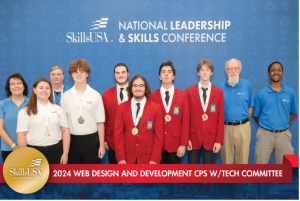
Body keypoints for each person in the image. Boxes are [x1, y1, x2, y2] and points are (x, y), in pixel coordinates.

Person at [60, 59, 106, 164]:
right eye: (75, 72)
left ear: (87, 74)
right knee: (74, 176)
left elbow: (100, 122)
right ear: (71, 75)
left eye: (82, 71)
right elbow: (63, 125)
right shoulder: (65, 96)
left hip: (92, 141)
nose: (78, 74)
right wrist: (65, 151)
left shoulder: (96, 95)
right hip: (72, 141)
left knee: (93, 176)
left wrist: (101, 145)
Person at [253, 61, 298, 164]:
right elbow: (255, 115)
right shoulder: (261, 93)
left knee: (286, 170)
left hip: (284, 135)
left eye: (279, 70)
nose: (276, 72)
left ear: (282, 73)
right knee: (259, 171)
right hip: (264, 134)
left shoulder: (290, 92)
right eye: (273, 70)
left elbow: (294, 113)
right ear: (268, 73)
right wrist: (266, 125)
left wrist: (283, 122)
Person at [16, 78, 70, 164]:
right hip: (33, 152)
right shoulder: (25, 111)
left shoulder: (59, 109)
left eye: (47, 88)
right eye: (41, 88)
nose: (44, 91)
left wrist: (65, 153)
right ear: (34, 90)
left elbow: (65, 131)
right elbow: (21, 134)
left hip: (56, 151)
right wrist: (24, 156)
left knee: (55, 177)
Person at [114, 75, 163, 164]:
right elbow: (118, 134)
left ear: (146, 88)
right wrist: (120, 157)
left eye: (141, 86)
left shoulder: (155, 107)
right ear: (131, 88)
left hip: (148, 158)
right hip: (127, 158)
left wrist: (155, 158)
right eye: (135, 86)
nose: (138, 89)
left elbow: (158, 136)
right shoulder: (122, 107)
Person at [149, 61, 189, 164]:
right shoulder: (152, 96)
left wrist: (183, 144)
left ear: (173, 76)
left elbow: (185, 121)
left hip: (176, 145)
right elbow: (149, 121)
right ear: (160, 77)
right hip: (158, 145)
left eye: (169, 72)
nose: (166, 74)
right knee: (159, 178)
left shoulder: (182, 95)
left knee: (174, 177)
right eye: (163, 72)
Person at [186, 60, 224, 164]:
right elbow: (186, 118)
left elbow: (220, 118)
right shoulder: (189, 92)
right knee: (192, 173)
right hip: (193, 138)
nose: (205, 73)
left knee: (208, 173)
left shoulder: (219, 92)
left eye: (207, 70)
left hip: (211, 138)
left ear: (211, 72)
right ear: (198, 73)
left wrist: (219, 141)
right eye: (202, 70)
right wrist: (187, 138)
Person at [217, 58, 254, 164]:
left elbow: (250, 106)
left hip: (243, 127)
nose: (233, 71)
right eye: (230, 68)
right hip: (225, 129)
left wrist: (245, 121)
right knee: (226, 161)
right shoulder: (219, 87)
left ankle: (241, 181)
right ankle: (228, 181)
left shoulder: (247, 85)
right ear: (226, 71)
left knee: (242, 161)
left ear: (240, 70)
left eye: (235, 68)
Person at [102, 63, 129, 164]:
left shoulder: (137, 92)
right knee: (116, 175)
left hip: (133, 141)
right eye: (117, 73)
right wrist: (104, 140)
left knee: (132, 175)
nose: (120, 75)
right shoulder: (106, 94)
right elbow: (103, 119)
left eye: (123, 72)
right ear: (114, 75)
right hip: (112, 141)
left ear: (128, 74)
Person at [0, 74, 29, 163]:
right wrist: (13, 146)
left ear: (24, 86)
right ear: (9, 87)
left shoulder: (32, 103)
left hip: (30, 148)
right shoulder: (2, 104)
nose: (16, 86)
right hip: (8, 149)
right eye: (12, 84)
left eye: (19, 83)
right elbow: (0, 129)